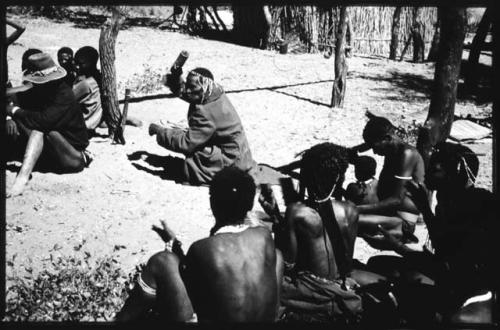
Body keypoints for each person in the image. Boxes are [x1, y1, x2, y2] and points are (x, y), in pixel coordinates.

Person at [116, 167, 283, 322]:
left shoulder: (202, 248)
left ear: (213, 203)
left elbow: (191, 284)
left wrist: (173, 249)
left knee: (163, 262)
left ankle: (122, 320)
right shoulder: (264, 236)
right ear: (249, 204)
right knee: (278, 256)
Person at [365, 142, 498, 323]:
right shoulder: (447, 200)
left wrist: (397, 245)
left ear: (454, 173)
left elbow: (447, 260)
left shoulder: (474, 205)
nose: (426, 171)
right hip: (452, 274)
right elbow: (443, 252)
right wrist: (423, 210)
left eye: (434, 168)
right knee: (379, 264)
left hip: (471, 287)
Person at [259, 143, 366, 323]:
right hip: (340, 285)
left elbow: (289, 264)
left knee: (266, 281)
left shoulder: (297, 212)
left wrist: (277, 218)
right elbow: (347, 261)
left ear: (306, 177)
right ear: (339, 177)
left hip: (310, 289)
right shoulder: (351, 210)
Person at [148, 67, 257, 185]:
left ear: (204, 88)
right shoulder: (213, 93)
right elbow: (187, 92)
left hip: (232, 164)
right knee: (190, 134)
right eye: (187, 85)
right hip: (241, 157)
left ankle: (203, 174)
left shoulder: (205, 113)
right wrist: (175, 79)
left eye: (192, 87)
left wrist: (160, 132)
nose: (188, 91)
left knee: (195, 148)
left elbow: (186, 143)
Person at [6, 52, 91, 197]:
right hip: (54, 154)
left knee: (39, 129)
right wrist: (9, 116)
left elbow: (43, 122)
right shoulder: (44, 90)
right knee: (23, 119)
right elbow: (12, 94)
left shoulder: (63, 94)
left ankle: (22, 178)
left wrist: (14, 110)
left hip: (73, 157)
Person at [355, 116, 424, 247]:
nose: (374, 152)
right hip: (389, 211)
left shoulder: (407, 154)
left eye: (375, 147)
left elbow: (397, 199)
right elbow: (365, 146)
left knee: (352, 218)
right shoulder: (391, 148)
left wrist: (357, 209)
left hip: (403, 221)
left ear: (387, 138)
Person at [72, 46, 103, 131]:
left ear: (91, 63)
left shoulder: (86, 84)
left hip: (84, 124)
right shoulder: (98, 78)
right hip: (92, 121)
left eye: (81, 64)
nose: (77, 67)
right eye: (76, 63)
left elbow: (67, 100)